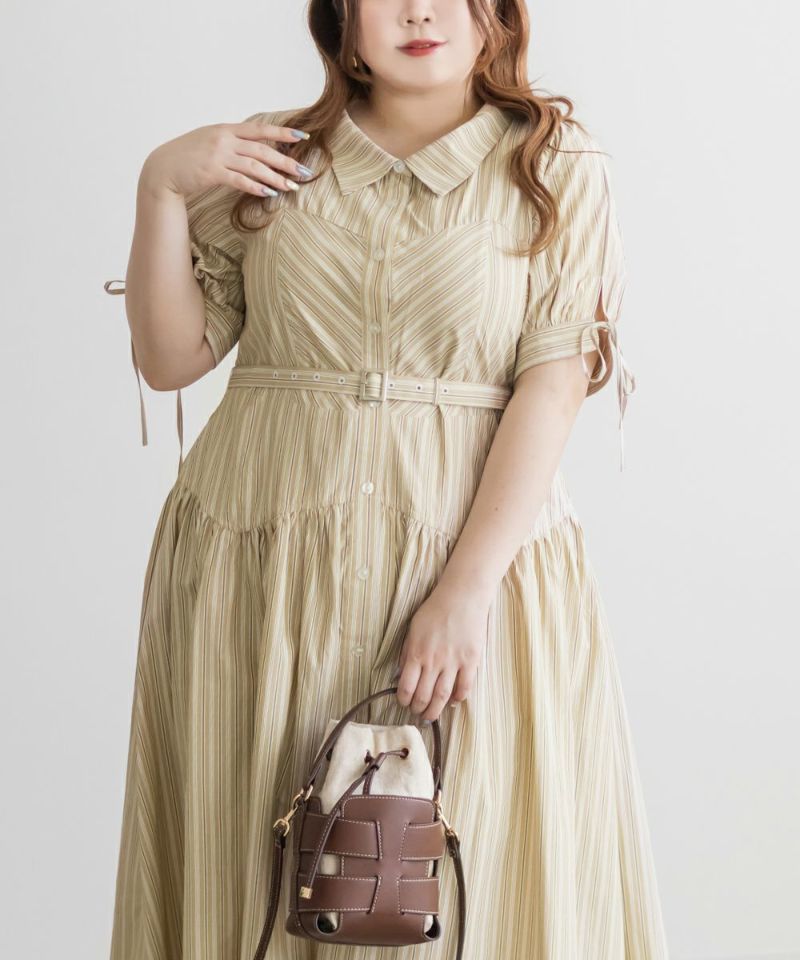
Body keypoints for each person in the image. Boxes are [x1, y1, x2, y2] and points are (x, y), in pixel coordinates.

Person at [104, 0, 670, 956]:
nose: (417, 10)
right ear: (343, 17)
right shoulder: (272, 155)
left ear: (494, 15)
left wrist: (466, 589)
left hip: (466, 568)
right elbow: (169, 359)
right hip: (259, 571)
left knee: (459, 873)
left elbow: (555, 382)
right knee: (251, 864)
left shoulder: (555, 164)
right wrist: (160, 187)